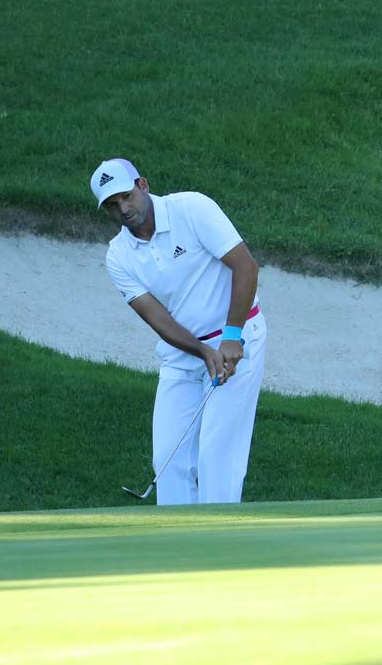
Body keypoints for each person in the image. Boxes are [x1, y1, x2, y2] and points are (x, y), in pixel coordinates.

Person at [93, 158, 268, 506]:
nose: (123, 208)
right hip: (182, 355)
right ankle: (176, 534)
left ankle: (218, 534)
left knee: (217, 454)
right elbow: (156, 317)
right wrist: (204, 353)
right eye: (112, 205)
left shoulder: (191, 208)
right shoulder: (119, 255)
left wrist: (231, 337)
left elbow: (246, 267)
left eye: (127, 196)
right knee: (167, 460)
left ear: (143, 185)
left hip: (236, 339)